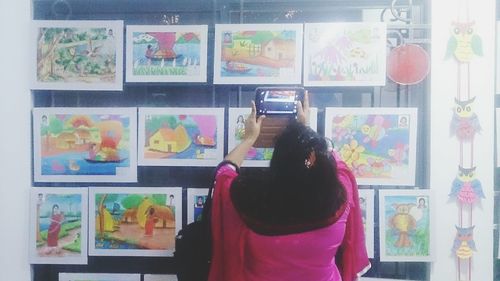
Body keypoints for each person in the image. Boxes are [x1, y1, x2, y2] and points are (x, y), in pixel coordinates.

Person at [209, 92, 370, 281]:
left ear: (277, 161)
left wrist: (249, 138)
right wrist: (304, 133)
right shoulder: (339, 194)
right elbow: (335, 162)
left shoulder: (251, 198)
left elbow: (224, 174)